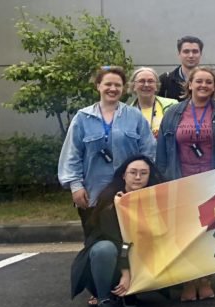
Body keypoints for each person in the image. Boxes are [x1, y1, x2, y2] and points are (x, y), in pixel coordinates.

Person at [156, 66, 215, 302]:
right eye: (199, 81)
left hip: (212, 180)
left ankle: (205, 279)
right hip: (181, 179)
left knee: (208, 232)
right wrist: (164, 179)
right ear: (190, 85)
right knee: (184, 233)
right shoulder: (174, 113)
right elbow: (163, 151)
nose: (203, 86)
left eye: (208, 82)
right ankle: (188, 280)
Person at [70, 155, 165, 307]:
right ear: (123, 175)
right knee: (105, 248)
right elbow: (119, 241)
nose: (137, 177)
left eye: (143, 173)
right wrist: (125, 272)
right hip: (108, 262)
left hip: (139, 261)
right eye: (133, 172)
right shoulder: (110, 200)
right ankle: (104, 300)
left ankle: (131, 293)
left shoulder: (154, 200)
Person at [58, 66, 157, 212]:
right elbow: (72, 154)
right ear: (98, 86)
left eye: (118, 85)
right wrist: (76, 186)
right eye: (108, 84)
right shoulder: (82, 118)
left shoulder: (135, 116)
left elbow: (149, 152)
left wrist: (142, 182)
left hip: (129, 194)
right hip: (92, 192)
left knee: (127, 234)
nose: (113, 88)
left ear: (123, 88)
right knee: (95, 234)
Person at [125, 67, 177, 139]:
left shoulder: (173, 106)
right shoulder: (126, 113)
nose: (146, 85)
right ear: (133, 86)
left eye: (150, 81)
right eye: (141, 81)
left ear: (156, 86)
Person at [159, 35, 204, 101]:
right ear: (179, 53)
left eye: (195, 51)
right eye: (186, 51)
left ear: (201, 54)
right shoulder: (165, 80)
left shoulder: (210, 81)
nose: (191, 55)